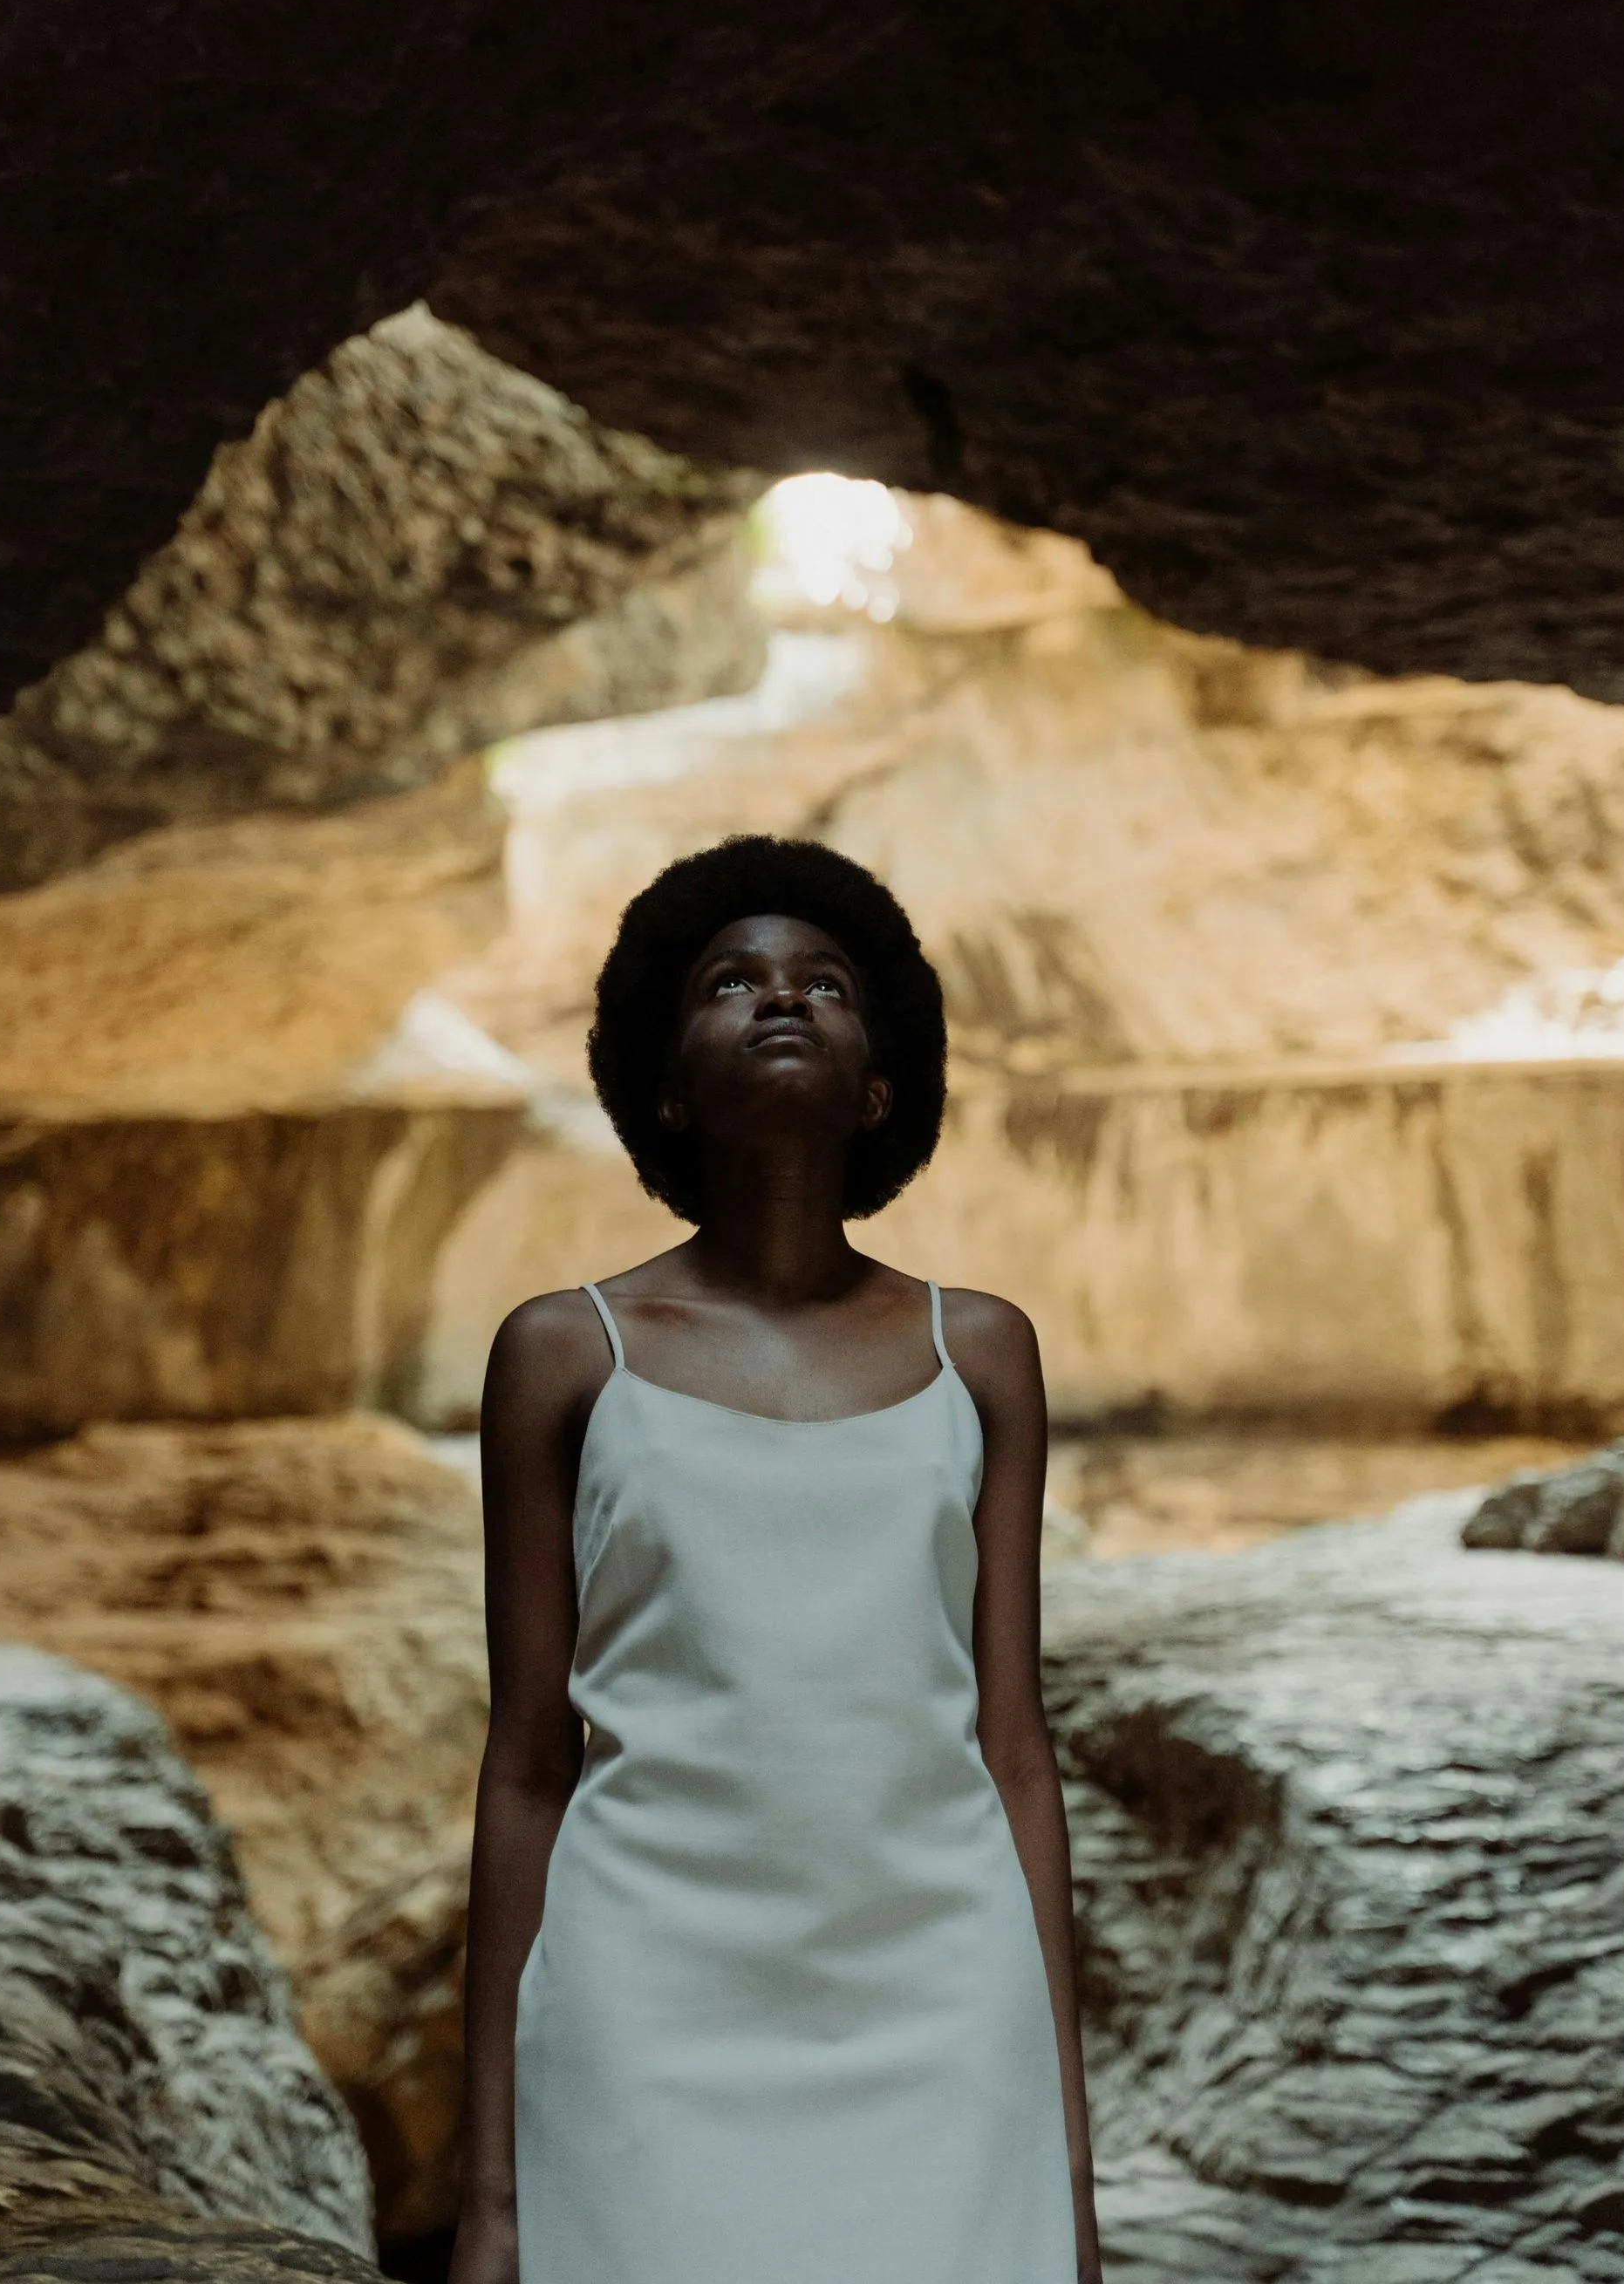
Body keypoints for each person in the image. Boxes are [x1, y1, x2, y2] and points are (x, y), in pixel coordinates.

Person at [449, 835, 1102, 2284]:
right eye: (729, 982)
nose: (781, 997)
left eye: (826, 983)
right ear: (667, 1085)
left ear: (881, 1085)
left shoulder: (980, 1351)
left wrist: (1067, 2168)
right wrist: (487, 2199)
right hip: (645, 2001)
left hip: (943, 2002)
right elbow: (524, 1766)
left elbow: (1014, 1750)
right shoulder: (563, 1355)